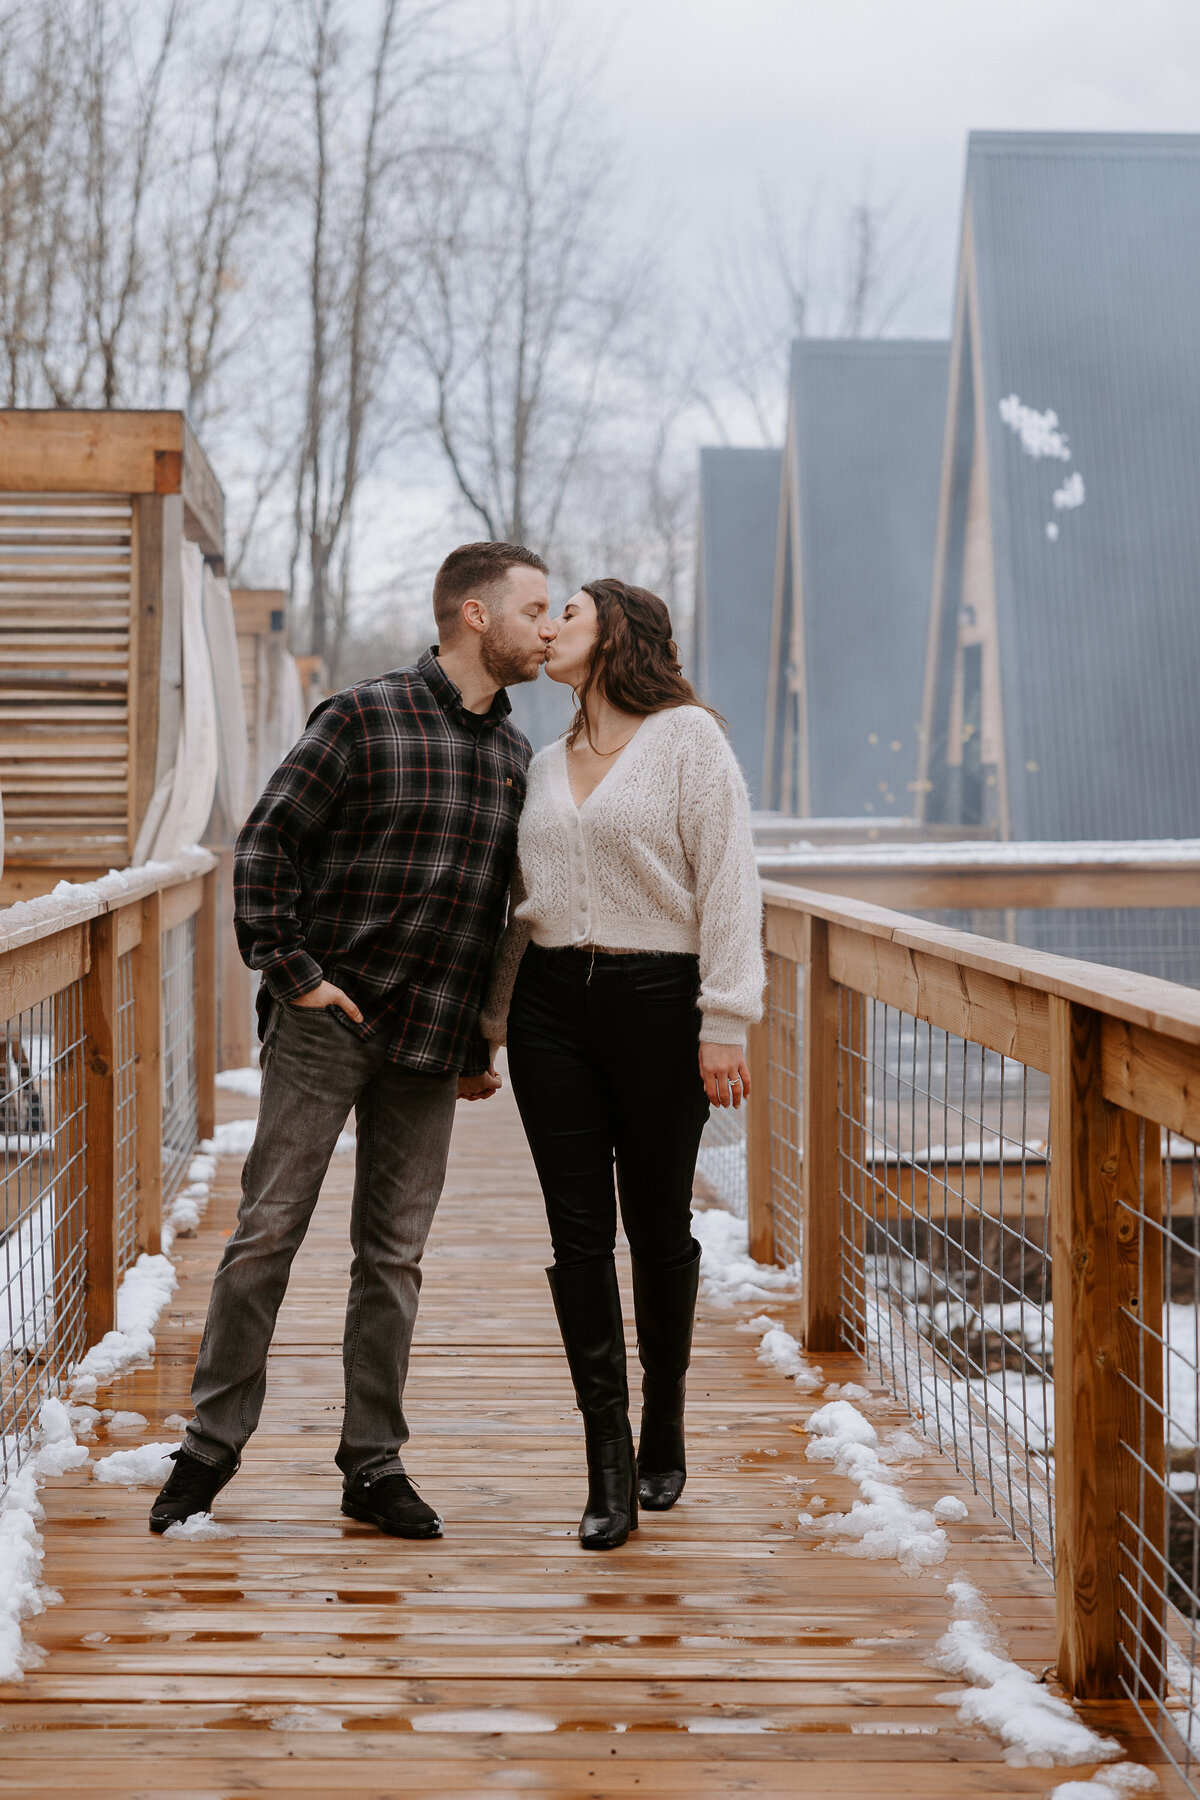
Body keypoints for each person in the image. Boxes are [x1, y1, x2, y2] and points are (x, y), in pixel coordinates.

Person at [150, 542, 556, 1539]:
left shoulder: (514, 757)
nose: (548, 630)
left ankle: (372, 1463)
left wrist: (479, 1042)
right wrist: (294, 973)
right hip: (328, 1023)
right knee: (267, 1234)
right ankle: (209, 1448)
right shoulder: (365, 715)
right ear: (474, 615)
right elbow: (267, 840)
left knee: (394, 1258)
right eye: (535, 610)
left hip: (429, 1043)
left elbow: (500, 910)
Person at [481, 579, 763, 1551]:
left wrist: (725, 1021)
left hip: (658, 1005)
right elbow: (520, 902)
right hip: (553, 1010)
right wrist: (490, 1024)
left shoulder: (687, 740)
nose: (550, 627)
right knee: (577, 1235)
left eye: (570, 615)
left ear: (617, 637)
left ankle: (665, 1416)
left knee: (659, 1225)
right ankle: (609, 1458)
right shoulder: (543, 760)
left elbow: (730, 884)